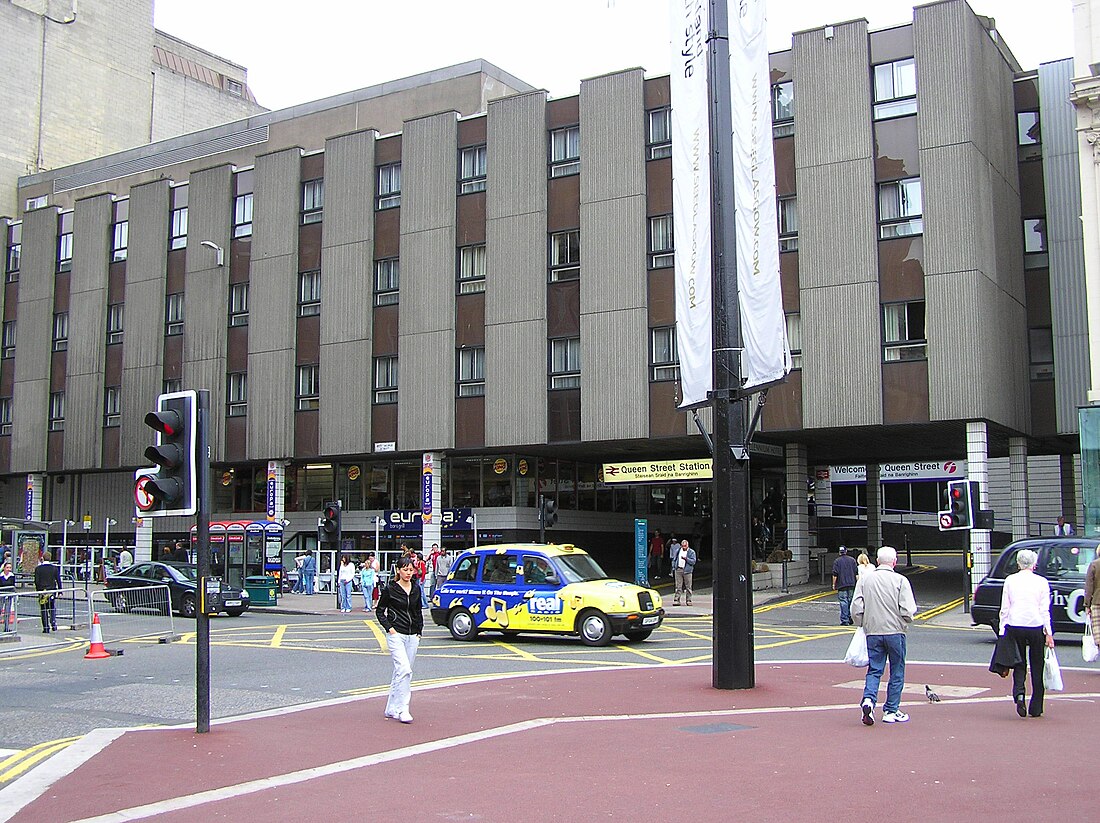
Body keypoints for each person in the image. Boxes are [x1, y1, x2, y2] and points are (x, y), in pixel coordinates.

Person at [852, 546, 917, 725]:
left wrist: (863, 623)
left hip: (872, 632)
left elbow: (856, 608)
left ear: (878, 561)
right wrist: (905, 621)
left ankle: (868, 700)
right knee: (897, 671)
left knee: (874, 669)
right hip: (895, 632)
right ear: (894, 562)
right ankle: (891, 710)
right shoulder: (900, 580)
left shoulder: (865, 580)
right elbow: (908, 610)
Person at [999, 548, 1055, 718]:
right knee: (1037, 665)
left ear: (1018, 563)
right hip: (1035, 625)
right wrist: (1049, 633)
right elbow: (1044, 610)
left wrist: (1002, 630)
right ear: (1034, 564)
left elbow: (1005, 608)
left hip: (1014, 624)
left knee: (1019, 663)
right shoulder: (1042, 582)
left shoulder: (1010, 580)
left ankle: (1019, 694)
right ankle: (1036, 706)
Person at [376, 556, 423, 724]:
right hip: (396, 634)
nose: (408, 573)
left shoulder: (416, 589)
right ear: (398, 570)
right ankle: (404, 708)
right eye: (405, 569)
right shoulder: (390, 589)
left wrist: (419, 631)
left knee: (402, 672)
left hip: (412, 636)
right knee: (404, 670)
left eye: (411, 570)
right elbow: (380, 611)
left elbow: (418, 611)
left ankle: (391, 707)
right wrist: (390, 628)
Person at [34, 550, 63, 634]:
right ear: (50, 558)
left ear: (42, 558)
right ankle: (53, 622)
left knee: (43, 609)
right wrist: (60, 590)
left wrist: (38, 590)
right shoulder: (54, 568)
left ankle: (46, 627)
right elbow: (58, 580)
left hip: (42, 591)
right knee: (52, 607)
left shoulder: (38, 569)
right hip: (52, 590)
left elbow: (36, 581)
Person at [831, 546, 858, 626]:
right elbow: (856, 572)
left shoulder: (837, 561)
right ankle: (850, 618)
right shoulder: (852, 560)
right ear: (846, 551)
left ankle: (844, 620)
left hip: (841, 584)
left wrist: (833, 584)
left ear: (839, 552)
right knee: (850, 601)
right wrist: (858, 583)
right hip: (851, 583)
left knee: (843, 601)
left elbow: (835, 574)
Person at [672, 539, 697, 606]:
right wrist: (674, 567)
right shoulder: (678, 551)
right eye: (682, 546)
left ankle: (688, 600)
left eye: (685, 546)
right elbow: (674, 559)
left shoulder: (691, 552)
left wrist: (686, 559)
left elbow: (693, 562)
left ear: (687, 545)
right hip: (678, 570)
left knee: (688, 586)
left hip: (687, 571)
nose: (684, 547)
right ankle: (676, 600)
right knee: (678, 586)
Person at [1085, 552, 1100, 643]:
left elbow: (1089, 586)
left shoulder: (1094, 565)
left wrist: (1087, 604)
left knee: (1098, 634)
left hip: (1097, 602)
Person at [0, 560, 16, 633]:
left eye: (10, 567)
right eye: (7, 567)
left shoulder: (12, 576)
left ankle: (6, 627)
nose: (9, 569)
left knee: (7, 611)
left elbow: (11, 585)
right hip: (1, 595)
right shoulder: (1, 576)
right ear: (4, 568)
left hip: (9, 595)